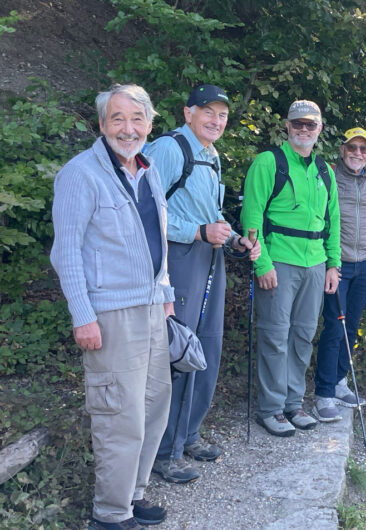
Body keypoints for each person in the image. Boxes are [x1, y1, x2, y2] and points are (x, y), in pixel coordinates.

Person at [51, 84, 174, 529]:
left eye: (137, 118)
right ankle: (109, 514)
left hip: (151, 308)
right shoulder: (80, 174)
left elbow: (155, 240)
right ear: (102, 125)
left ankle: (132, 495)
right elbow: (65, 252)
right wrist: (82, 315)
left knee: (153, 406)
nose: (128, 128)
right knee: (119, 416)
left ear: (149, 125)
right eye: (118, 119)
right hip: (110, 313)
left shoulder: (149, 169)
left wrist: (166, 296)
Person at [145, 84, 260, 483]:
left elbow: (211, 216)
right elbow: (147, 214)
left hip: (209, 258)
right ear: (188, 112)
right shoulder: (168, 149)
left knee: (206, 346)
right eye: (208, 112)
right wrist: (197, 232)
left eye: (222, 115)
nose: (216, 120)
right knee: (178, 351)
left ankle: (188, 434)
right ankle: (163, 453)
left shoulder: (210, 155)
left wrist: (234, 240)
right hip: (179, 260)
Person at [240, 100, 341, 437]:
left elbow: (332, 222)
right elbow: (252, 217)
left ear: (319, 129)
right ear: (287, 125)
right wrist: (262, 262)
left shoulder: (324, 171)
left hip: (315, 262)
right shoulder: (269, 162)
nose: (303, 130)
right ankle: (270, 409)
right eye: (298, 124)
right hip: (279, 260)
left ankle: (293, 403)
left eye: (310, 125)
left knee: (302, 336)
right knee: (274, 335)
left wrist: (333, 264)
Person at [313, 127, 366, 422]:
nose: (358, 153)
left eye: (364, 149)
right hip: (337, 264)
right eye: (353, 148)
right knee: (334, 327)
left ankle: (339, 382)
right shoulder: (328, 175)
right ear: (343, 150)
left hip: (365, 265)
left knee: (352, 326)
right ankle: (323, 394)